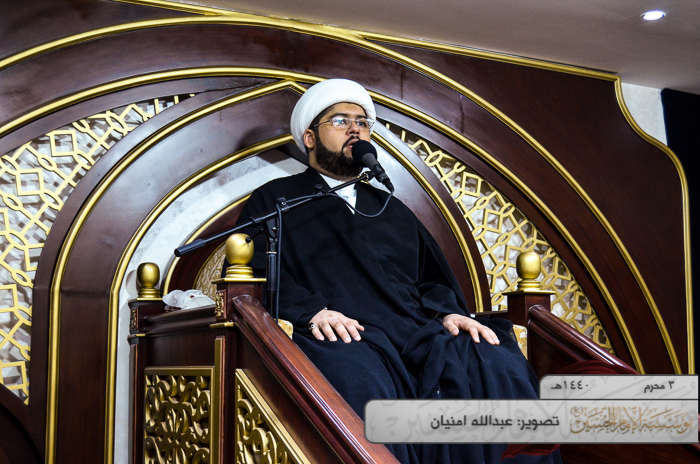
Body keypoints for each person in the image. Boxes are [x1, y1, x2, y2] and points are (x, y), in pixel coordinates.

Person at [224, 79, 560, 464]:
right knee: (359, 376)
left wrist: (448, 313)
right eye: (341, 121)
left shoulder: (391, 208)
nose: (355, 129)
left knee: (497, 361)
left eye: (362, 122)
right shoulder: (276, 199)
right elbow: (257, 274)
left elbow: (430, 278)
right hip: (342, 329)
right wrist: (313, 312)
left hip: (413, 328)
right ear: (310, 138)